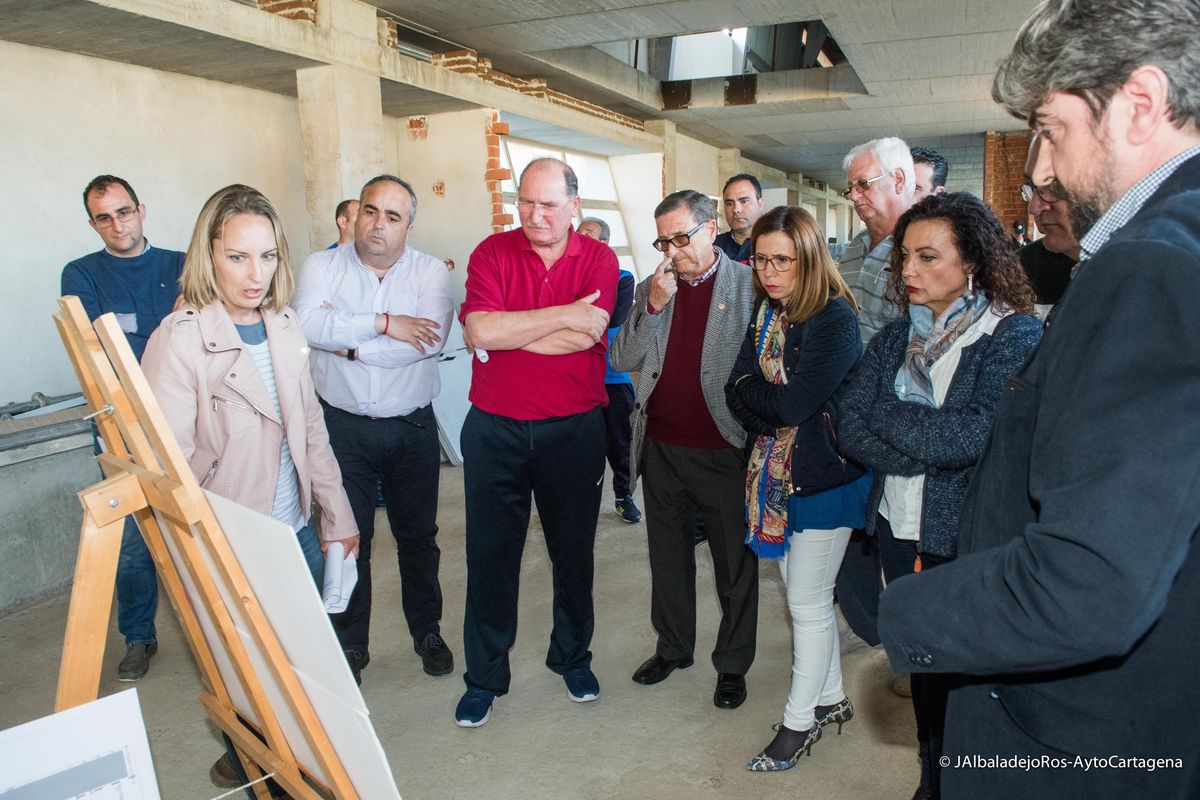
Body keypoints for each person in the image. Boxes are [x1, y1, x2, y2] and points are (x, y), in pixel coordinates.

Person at [879, 1, 1200, 797]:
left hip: (1079, 736)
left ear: (1139, 103)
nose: (1046, 169)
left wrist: (905, 610)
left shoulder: (1149, 264)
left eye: (1052, 130)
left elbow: (1088, 583)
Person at [140, 184, 359, 792]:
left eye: (266, 256)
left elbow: (312, 430)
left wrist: (338, 517)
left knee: (303, 667)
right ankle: (257, 763)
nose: (254, 273)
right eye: (237, 256)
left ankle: (258, 758)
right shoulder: (178, 340)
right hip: (233, 541)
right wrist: (200, 554)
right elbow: (169, 467)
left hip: (295, 531)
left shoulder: (286, 325)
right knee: (253, 674)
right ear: (208, 255)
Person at [837, 192, 1041, 800]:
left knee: (971, 680)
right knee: (924, 671)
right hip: (899, 528)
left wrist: (887, 415)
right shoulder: (898, 333)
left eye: (928, 257)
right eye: (905, 257)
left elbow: (970, 436)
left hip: (963, 538)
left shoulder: (1013, 334)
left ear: (972, 262)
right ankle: (932, 778)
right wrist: (912, 438)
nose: (908, 272)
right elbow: (849, 420)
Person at [455, 158, 618, 727]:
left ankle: (571, 656)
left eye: (548, 204)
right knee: (489, 556)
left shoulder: (598, 257)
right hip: (494, 428)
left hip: (573, 429)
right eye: (526, 202)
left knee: (572, 553)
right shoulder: (491, 253)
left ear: (575, 206)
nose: (535, 214)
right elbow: (480, 331)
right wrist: (562, 317)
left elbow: (590, 333)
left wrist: (515, 329)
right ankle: (485, 677)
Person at [293, 175, 455, 685]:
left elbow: (425, 343)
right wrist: (385, 322)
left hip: (411, 427)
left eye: (391, 216)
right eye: (370, 211)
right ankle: (350, 645)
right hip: (341, 428)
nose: (377, 224)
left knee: (419, 536)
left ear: (409, 225)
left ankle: (426, 630)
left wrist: (347, 342)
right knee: (345, 539)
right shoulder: (322, 265)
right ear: (355, 214)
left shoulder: (430, 272)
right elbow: (305, 326)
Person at [725, 207, 868, 771]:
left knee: (806, 604)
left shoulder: (833, 318)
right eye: (761, 258)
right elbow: (734, 385)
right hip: (777, 478)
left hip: (824, 480)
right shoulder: (769, 309)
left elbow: (788, 404)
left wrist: (761, 400)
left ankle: (797, 724)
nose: (769, 270)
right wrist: (763, 403)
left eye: (782, 259)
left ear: (809, 257)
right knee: (804, 598)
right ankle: (830, 698)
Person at [610, 189, 758, 710]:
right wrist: (652, 306)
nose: (671, 250)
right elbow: (623, 355)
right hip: (662, 449)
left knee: (733, 565)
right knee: (667, 558)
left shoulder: (747, 285)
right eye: (663, 240)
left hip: (723, 446)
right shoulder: (656, 288)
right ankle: (673, 647)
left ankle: (733, 664)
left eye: (681, 237)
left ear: (711, 229)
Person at [61, 174, 185, 682]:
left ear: (142, 209)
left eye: (125, 211)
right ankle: (138, 636)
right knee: (133, 541)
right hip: (119, 425)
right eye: (105, 217)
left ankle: (218, 625)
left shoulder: (180, 264)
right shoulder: (80, 273)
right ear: (93, 224)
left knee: (200, 525)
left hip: (185, 418)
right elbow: (99, 347)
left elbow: (199, 337)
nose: (118, 224)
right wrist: (164, 327)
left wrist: (132, 328)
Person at [578, 217, 640, 523]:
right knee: (582, 448)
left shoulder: (622, 277)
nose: (581, 238)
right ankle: (582, 501)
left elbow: (610, 319)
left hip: (613, 377)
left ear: (604, 244)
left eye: (589, 235)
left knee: (620, 445)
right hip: (578, 378)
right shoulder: (568, 276)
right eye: (579, 234)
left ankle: (623, 495)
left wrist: (567, 316)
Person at [837, 137, 917, 342]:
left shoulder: (920, 249)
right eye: (850, 188)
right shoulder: (855, 246)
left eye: (863, 184)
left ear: (898, 180)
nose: (854, 196)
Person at [1018, 138, 1080, 318]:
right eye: (1032, 189)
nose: (1033, 208)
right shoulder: (1024, 265)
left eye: (1052, 187)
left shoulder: (1149, 270)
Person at [715, 173, 764, 262]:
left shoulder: (776, 243)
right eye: (729, 204)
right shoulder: (714, 247)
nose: (736, 209)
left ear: (760, 204)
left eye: (744, 201)